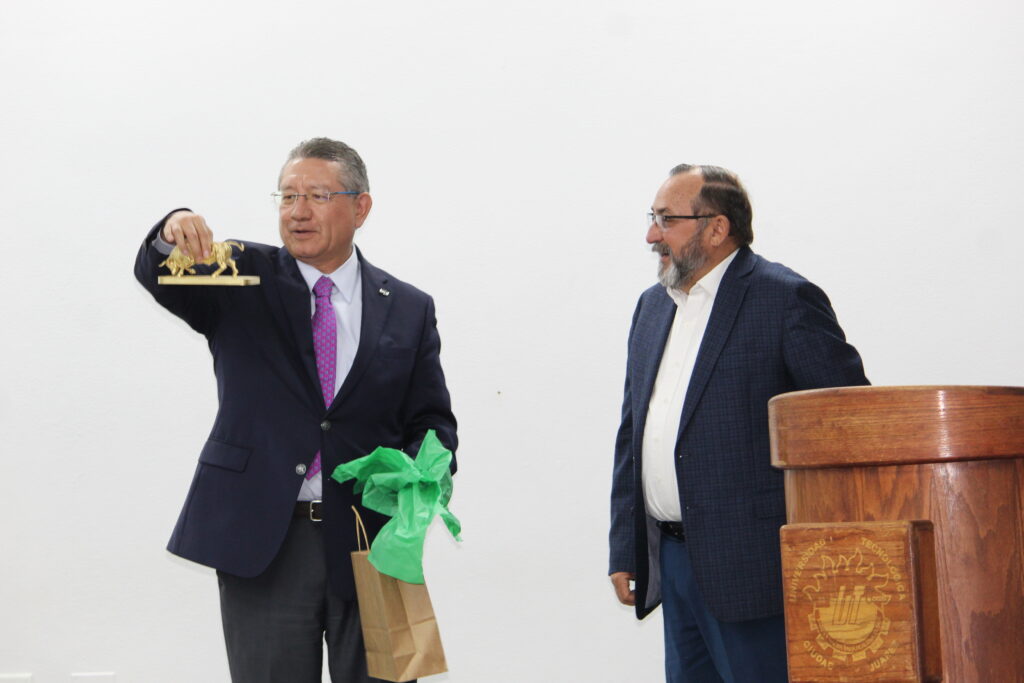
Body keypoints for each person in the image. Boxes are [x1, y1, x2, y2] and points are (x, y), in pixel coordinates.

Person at [135, 137, 457, 682]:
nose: (298, 211)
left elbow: (431, 421)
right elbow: (159, 274)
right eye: (287, 196)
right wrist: (172, 230)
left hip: (372, 542)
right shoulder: (237, 274)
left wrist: (423, 477)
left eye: (317, 196)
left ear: (361, 207)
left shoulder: (408, 306)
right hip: (265, 539)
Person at [608, 164, 868, 682]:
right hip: (673, 560)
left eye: (667, 219)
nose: (652, 235)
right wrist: (625, 545)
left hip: (755, 567)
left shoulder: (783, 299)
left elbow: (850, 425)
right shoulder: (653, 307)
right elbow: (633, 433)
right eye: (652, 218)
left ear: (717, 228)